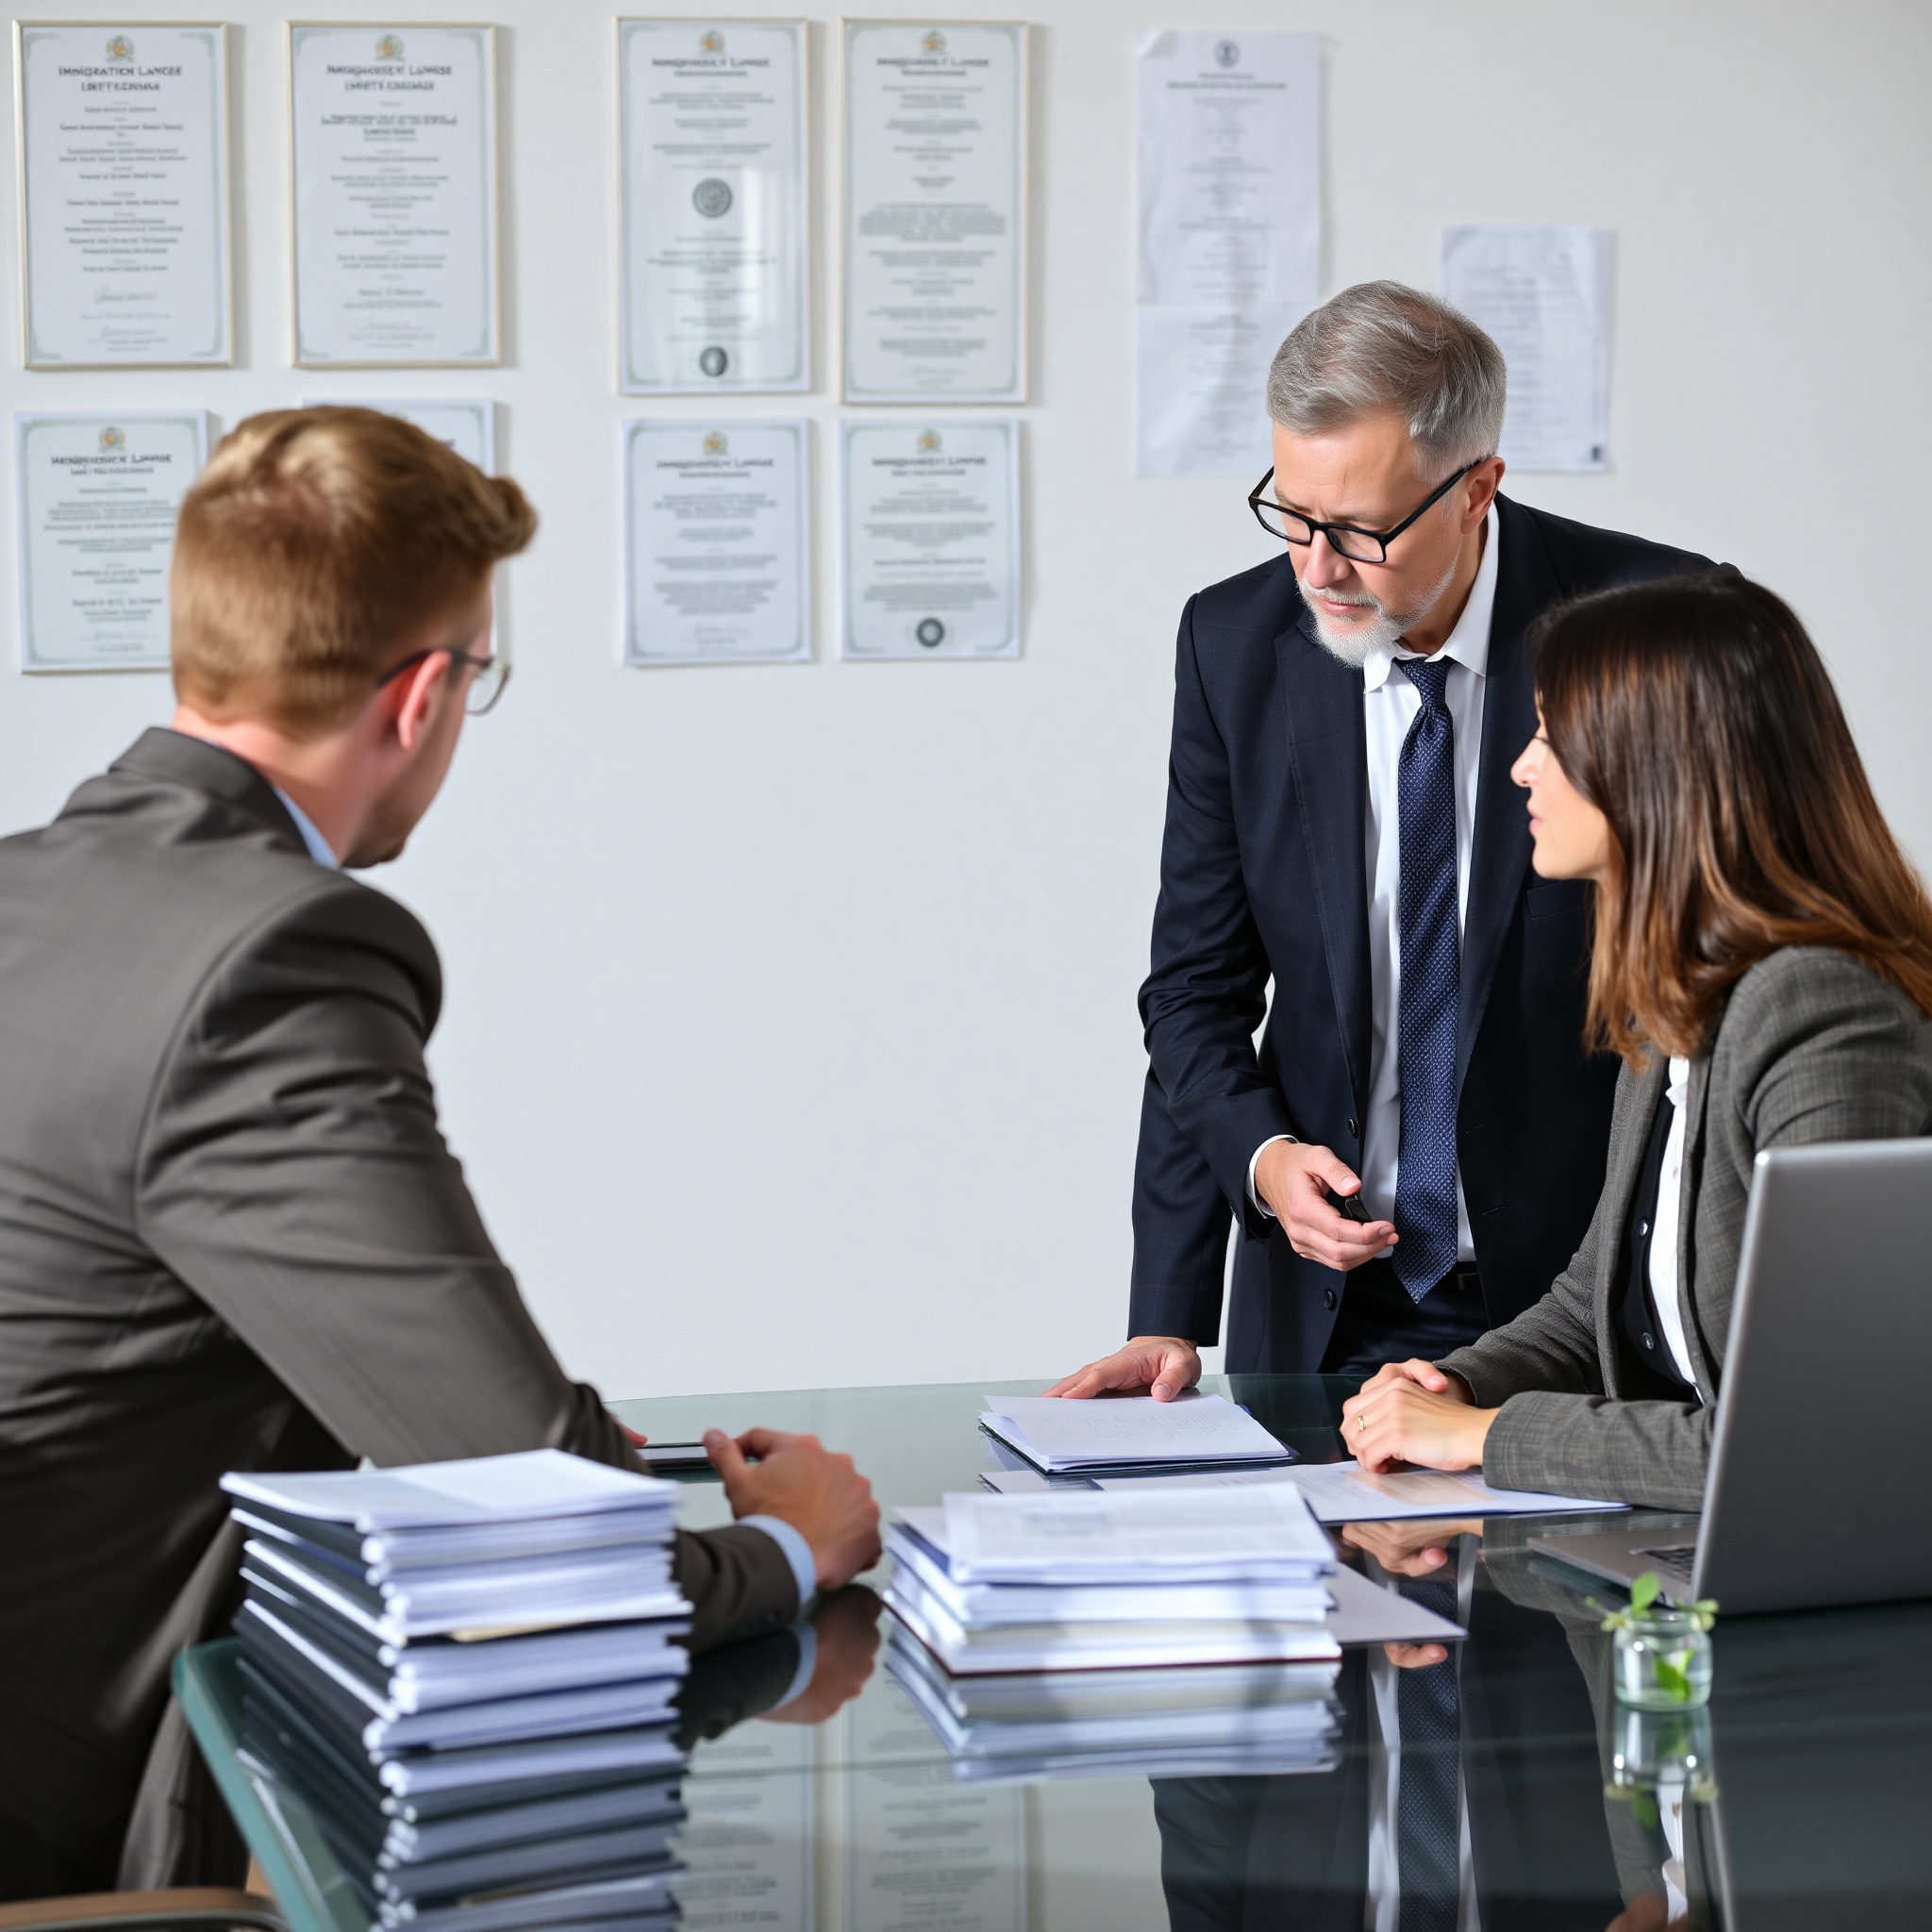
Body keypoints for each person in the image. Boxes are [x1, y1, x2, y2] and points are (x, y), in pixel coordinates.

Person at [0, 408, 880, 1901]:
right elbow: (528, 1511)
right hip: (88, 1828)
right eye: (479, 672)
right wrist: (790, 1553)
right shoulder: (271, 959)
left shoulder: (34, 891)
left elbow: (372, 1362)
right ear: (420, 696)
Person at [1052, 280, 1716, 1400]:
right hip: (1330, 1310)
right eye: (1291, 514)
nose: (1315, 566)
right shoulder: (1234, 640)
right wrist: (1179, 1298)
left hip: (1588, 1313)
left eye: (1358, 529)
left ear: (1476, 488)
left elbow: (1715, 982)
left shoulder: (1649, 628)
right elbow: (1194, 992)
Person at [1341, 574, 1932, 1507]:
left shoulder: (1816, 1009)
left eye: (1548, 735)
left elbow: (1814, 1441)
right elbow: (1597, 1296)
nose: (1518, 767)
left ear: (1650, 762)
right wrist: (1461, 1382)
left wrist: (1484, 1435)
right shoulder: (1676, 1000)